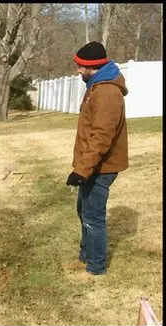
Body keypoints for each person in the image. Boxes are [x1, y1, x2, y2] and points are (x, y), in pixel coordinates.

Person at [65, 41, 129, 276]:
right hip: (92, 165)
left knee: (93, 216)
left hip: (101, 167)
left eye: (81, 67)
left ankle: (96, 267)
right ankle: (86, 256)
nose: (78, 71)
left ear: (92, 67)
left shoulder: (106, 92)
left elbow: (102, 136)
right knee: (84, 210)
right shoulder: (96, 86)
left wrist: (82, 170)